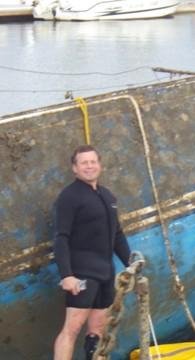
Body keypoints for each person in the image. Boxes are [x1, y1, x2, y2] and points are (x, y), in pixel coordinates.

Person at [52, 145, 131, 360]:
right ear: (75, 168)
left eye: (93, 162)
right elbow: (61, 238)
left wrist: (130, 263)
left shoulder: (107, 196)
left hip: (105, 274)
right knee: (72, 330)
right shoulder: (69, 197)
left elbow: (117, 234)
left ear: (100, 165)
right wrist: (66, 275)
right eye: (84, 163)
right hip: (82, 275)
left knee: (97, 333)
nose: (89, 166)